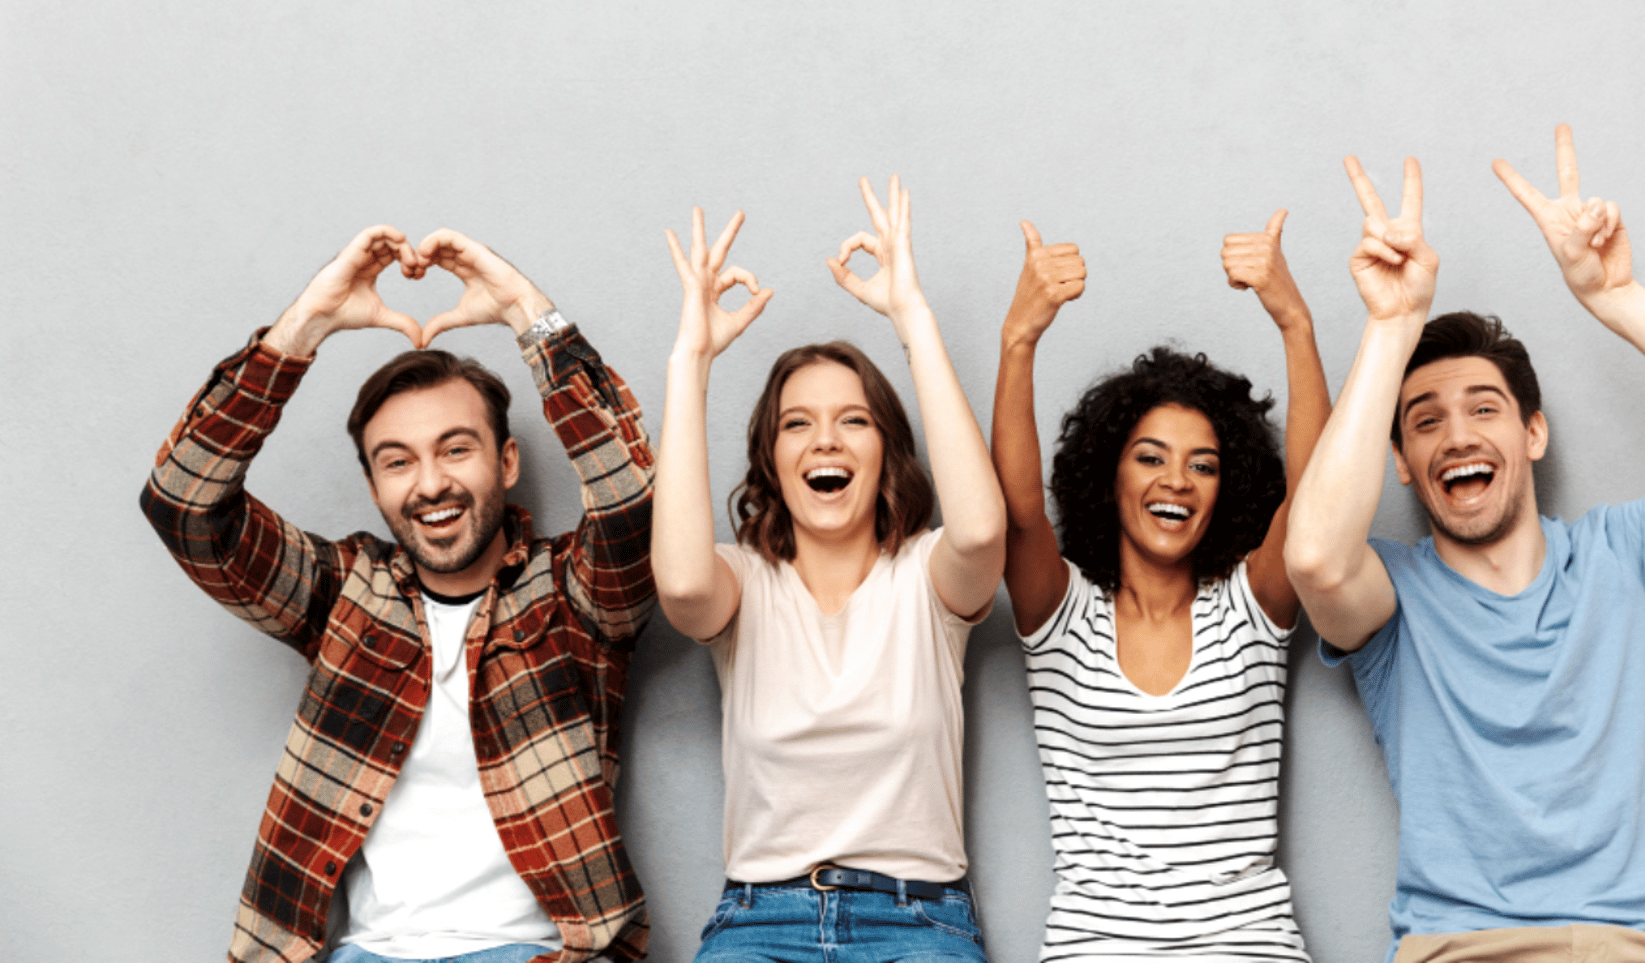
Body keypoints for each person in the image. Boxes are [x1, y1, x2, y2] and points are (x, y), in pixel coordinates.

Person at [1284, 127, 1645, 963]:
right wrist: (1392, 326)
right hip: (1466, 951)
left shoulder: (1628, 557)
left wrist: (1620, 298)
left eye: (1485, 409)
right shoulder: (1392, 600)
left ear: (1534, 433)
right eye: (1425, 421)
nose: (1457, 435)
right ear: (1400, 462)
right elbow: (1315, 556)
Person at [140, 227, 656, 963]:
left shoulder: (573, 597)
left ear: (506, 461)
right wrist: (305, 327)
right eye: (397, 462)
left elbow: (634, 503)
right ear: (375, 486)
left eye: (456, 447)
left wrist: (523, 308)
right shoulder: (346, 595)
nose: (431, 484)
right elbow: (183, 503)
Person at [652, 178, 1006, 963]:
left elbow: (982, 533)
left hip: (920, 922)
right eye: (797, 425)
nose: (825, 442)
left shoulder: (927, 580)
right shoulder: (742, 585)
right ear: (771, 460)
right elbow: (678, 586)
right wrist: (691, 359)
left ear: (886, 454)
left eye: (855, 421)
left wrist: (912, 316)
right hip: (758, 922)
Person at [990, 211, 1332, 962]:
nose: (1176, 480)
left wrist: (1295, 322)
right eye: (1151, 458)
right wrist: (1020, 339)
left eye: (1203, 465)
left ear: (1227, 488)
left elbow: (1317, 503)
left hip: (1247, 946)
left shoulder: (1249, 609)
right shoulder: (1064, 617)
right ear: (1107, 474)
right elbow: (1015, 518)